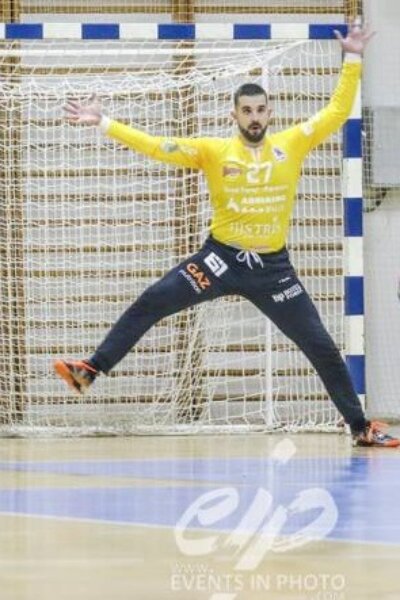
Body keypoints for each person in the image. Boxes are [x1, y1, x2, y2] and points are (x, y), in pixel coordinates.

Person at [54, 20, 399, 447]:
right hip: (219, 261)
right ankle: (91, 369)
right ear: (233, 115)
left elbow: (335, 111)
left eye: (260, 110)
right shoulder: (213, 151)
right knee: (153, 300)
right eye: (246, 111)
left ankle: (360, 427)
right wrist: (105, 122)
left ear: (270, 113)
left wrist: (353, 59)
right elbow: (158, 146)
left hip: (273, 271)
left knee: (321, 346)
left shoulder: (291, 144)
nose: (254, 117)